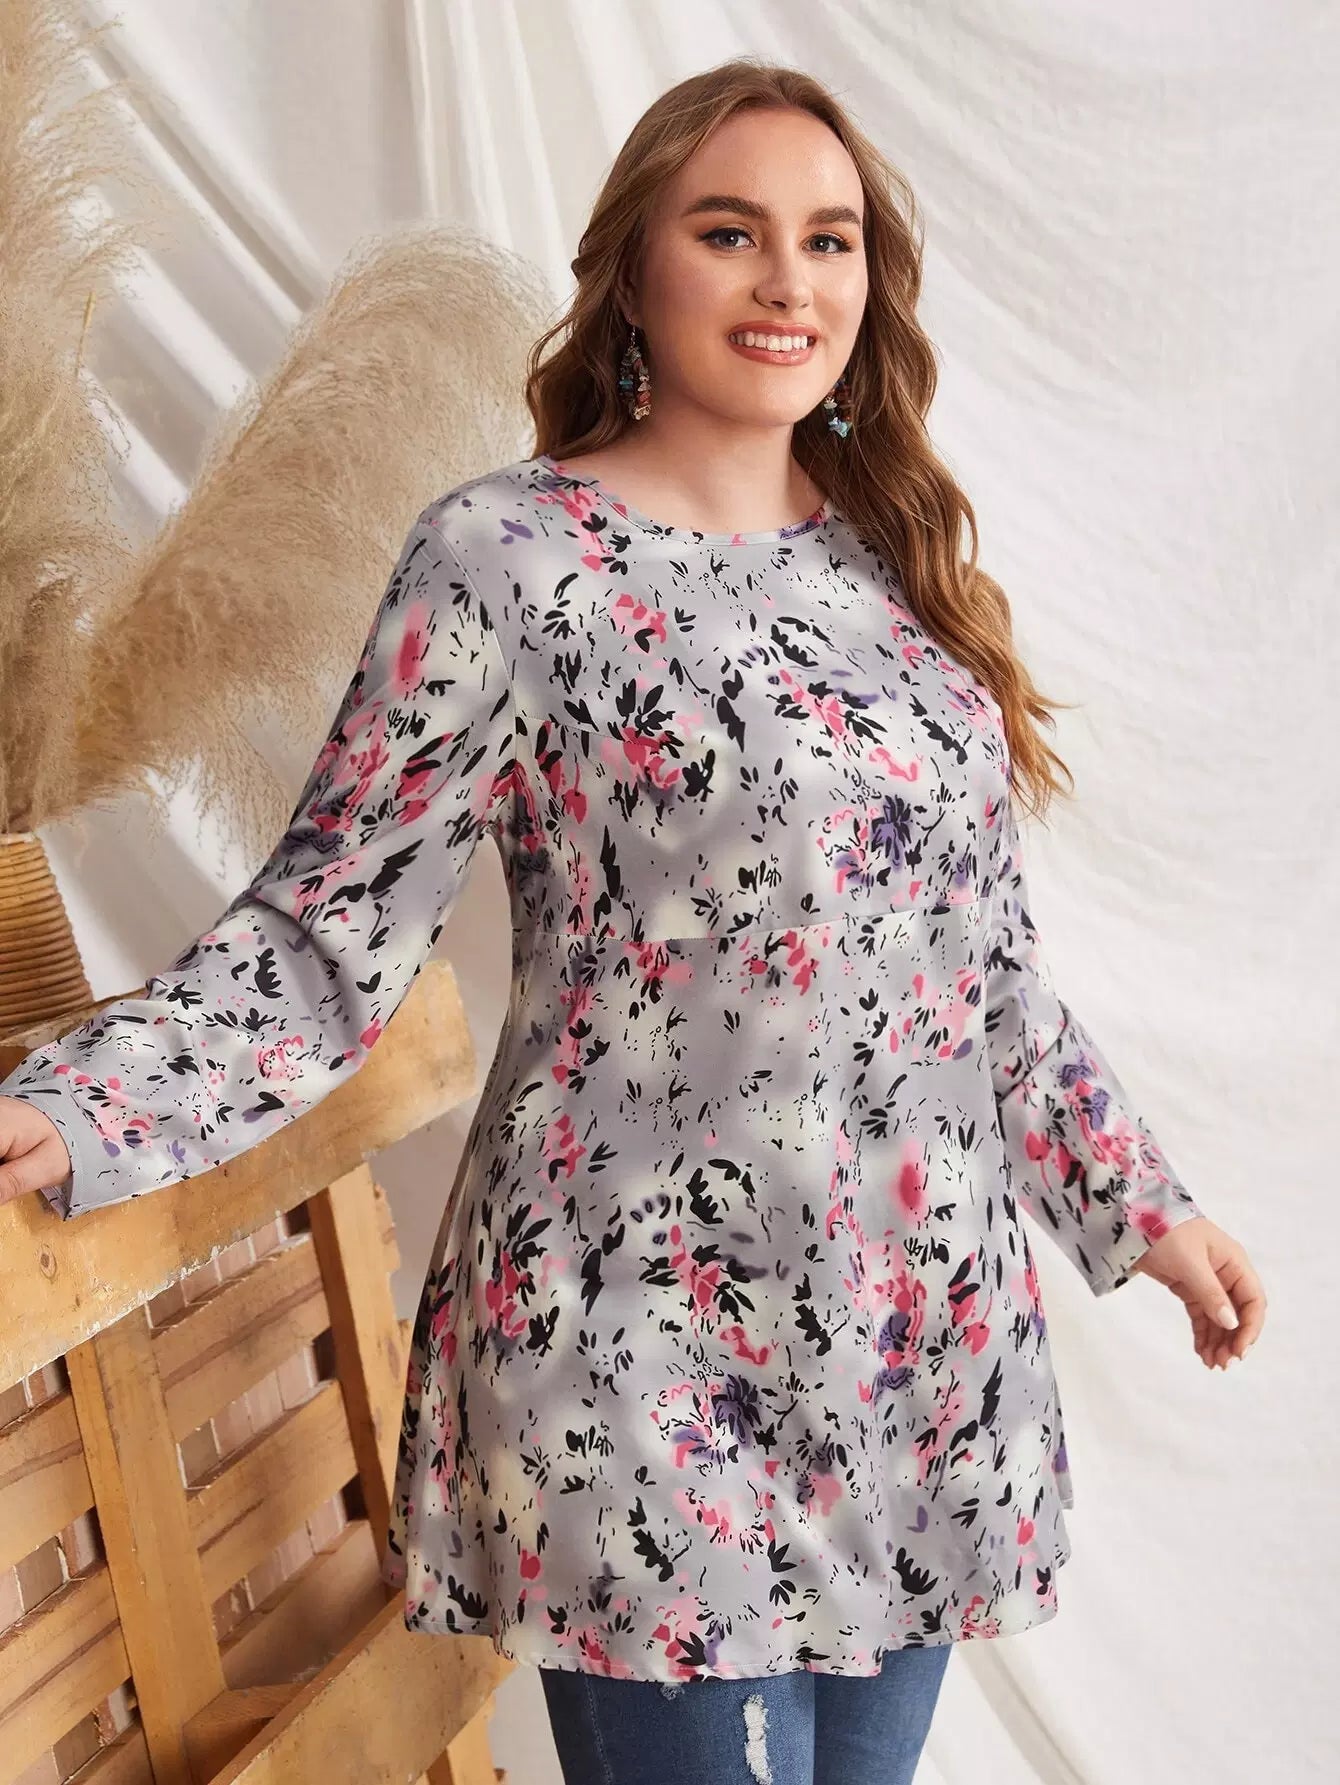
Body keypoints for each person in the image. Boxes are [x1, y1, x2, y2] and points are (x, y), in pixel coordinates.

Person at [0, 59, 1265, 1785]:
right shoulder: (508, 560)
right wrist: (84, 1105)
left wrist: (1146, 1213)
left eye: (829, 240)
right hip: (639, 1364)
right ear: (635, 270)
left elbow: (977, 981)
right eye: (730, 231)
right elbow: (324, 931)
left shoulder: (902, 573)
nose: (788, 279)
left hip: (916, 1364)